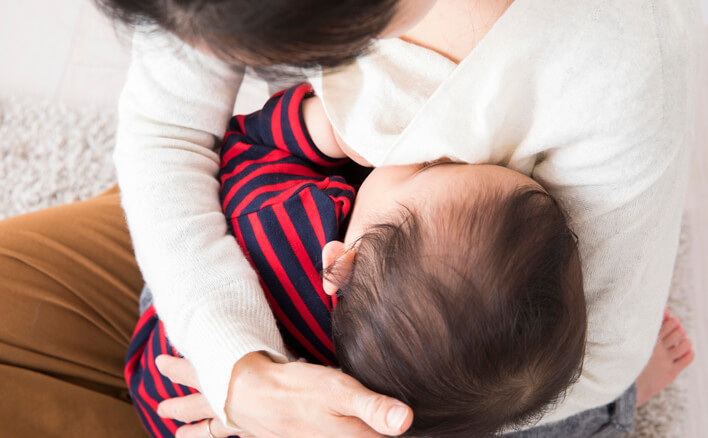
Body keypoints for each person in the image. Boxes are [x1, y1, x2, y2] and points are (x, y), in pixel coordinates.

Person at [0, 0, 700, 437]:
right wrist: (237, 372)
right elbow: (168, 131)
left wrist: (312, 128)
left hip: (193, 364)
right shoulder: (321, 220)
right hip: (225, 352)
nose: (432, 152)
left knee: (527, 385)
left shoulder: (621, 63)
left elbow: (585, 356)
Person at [127, 83, 587, 438]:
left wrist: (316, 128)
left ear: (339, 263)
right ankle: (612, 410)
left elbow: (243, 146)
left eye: (428, 168)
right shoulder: (414, 396)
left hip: (171, 366)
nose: (444, 151)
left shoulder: (282, 217)